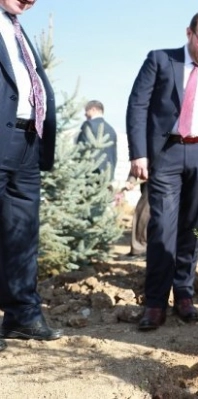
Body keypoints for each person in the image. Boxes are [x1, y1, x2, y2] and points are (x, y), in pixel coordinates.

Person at [126, 10, 198, 331]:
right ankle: (155, 303)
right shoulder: (160, 60)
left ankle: (184, 296)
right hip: (166, 153)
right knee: (162, 227)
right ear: (189, 33)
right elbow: (137, 105)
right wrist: (139, 154)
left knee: (193, 227)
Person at [0, 0, 62, 348]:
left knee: (22, 233)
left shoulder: (16, 28)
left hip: (27, 141)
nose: (30, 1)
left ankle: (22, 316)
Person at [77, 100, 118, 181]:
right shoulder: (111, 130)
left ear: (93, 110)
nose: (85, 114)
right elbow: (114, 155)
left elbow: (81, 148)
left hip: (90, 174)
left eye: (86, 111)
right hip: (107, 175)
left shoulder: (88, 125)